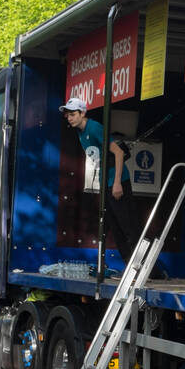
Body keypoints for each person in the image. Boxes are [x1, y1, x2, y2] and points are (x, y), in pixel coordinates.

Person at [61, 97, 138, 264]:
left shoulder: (94, 128)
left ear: (82, 113)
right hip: (106, 183)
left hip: (117, 182)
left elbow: (118, 153)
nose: (69, 118)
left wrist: (117, 183)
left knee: (128, 227)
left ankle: (148, 269)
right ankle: (130, 266)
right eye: (67, 115)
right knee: (115, 228)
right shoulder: (80, 132)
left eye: (73, 114)